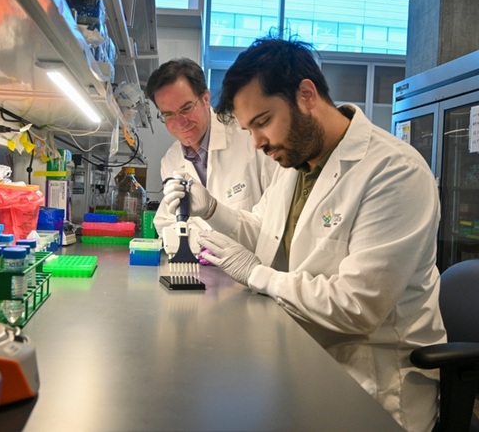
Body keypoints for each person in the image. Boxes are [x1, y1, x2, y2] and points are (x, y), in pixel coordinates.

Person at [161, 38, 446, 431]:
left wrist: (258, 275)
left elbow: (356, 307)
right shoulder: (295, 165)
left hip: (371, 385)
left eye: (262, 122)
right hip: (300, 356)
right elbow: (262, 229)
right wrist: (211, 208)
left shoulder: (394, 171)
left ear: (307, 94)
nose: (258, 143)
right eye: (249, 130)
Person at [146, 57, 277, 239]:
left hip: (254, 261)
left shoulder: (249, 137)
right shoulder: (171, 161)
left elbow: (278, 214)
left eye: (186, 109)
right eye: (168, 115)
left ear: (205, 98)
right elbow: (172, 222)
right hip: (201, 262)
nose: (180, 122)